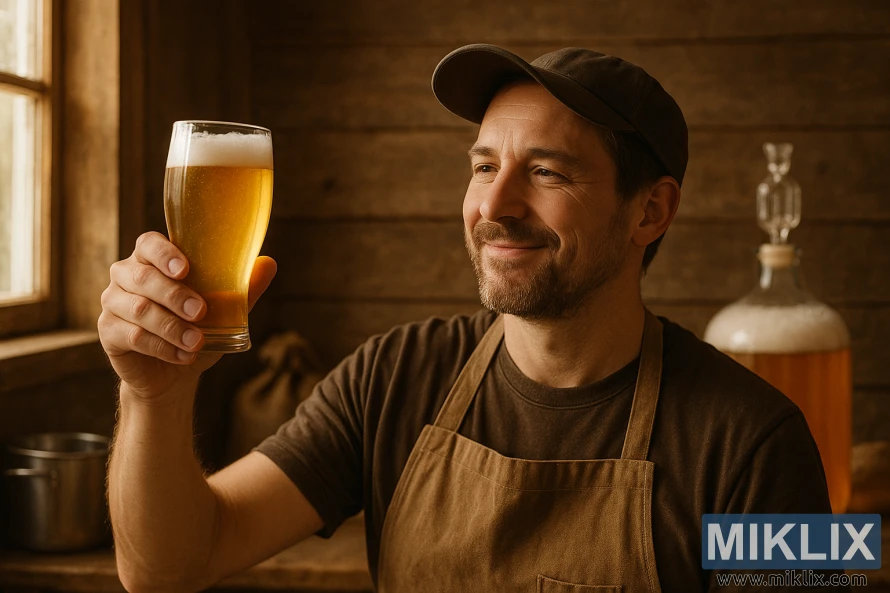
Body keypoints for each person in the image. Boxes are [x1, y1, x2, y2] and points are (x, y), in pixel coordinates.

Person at [100, 45, 844, 592]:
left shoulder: (759, 442)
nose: (493, 206)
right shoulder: (392, 376)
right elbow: (168, 563)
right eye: (484, 165)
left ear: (650, 210)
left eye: (546, 171)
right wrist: (153, 395)